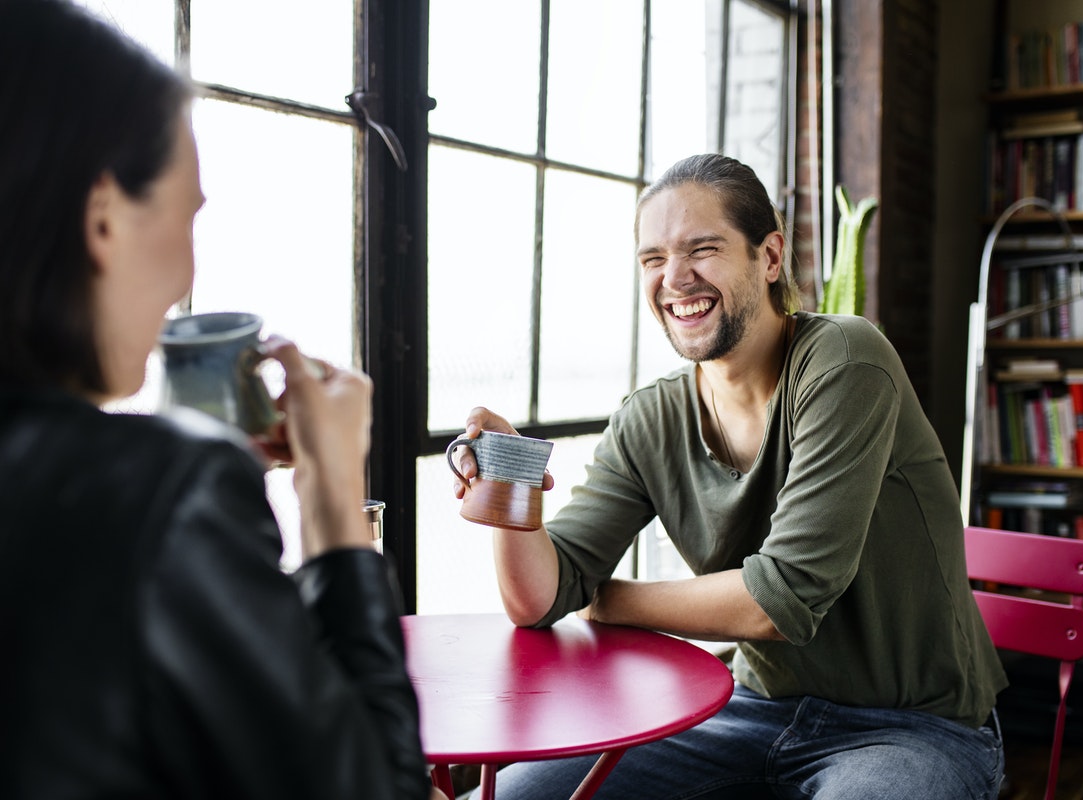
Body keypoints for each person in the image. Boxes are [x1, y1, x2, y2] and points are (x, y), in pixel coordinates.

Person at [451, 153, 1009, 799]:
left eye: (702, 249)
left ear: (769, 257)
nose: (675, 278)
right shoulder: (649, 419)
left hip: (915, 727)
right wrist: (509, 488)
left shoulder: (846, 361)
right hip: (747, 710)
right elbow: (540, 598)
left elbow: (785, 596)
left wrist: (604, 597)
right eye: (653, 258)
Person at [0, 2, 440, 798]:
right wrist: (333, 500)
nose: (183, 276)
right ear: (103, 215)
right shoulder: (164, 494)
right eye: (187, 216)